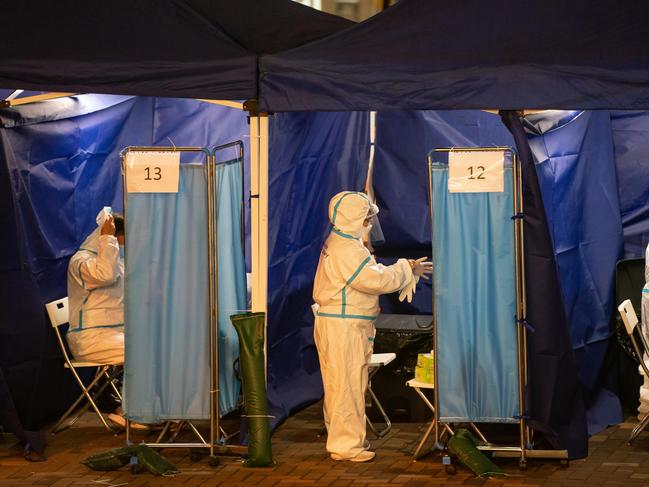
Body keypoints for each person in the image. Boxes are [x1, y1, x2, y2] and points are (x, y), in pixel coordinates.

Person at [312, 191, 432, 462]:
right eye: (366, 218)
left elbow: (372, 274)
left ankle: (343, 441)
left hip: (341, 326)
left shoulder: (344, 243)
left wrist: (403, 270)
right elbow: (373, 281)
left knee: (341, 385)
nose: (369, 224)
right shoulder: (347, 249)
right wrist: (405, 268)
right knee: (347, 386)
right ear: (353, 218)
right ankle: (347, 447)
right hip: (344, 329)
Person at [67, 207, 125, 365]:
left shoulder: (117, 262)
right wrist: (107, 237)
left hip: (115, 335)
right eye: (122, 242)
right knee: (152, 351)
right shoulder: (81, 262)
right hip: (91, 340)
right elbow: (105, 274)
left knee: (163, 344)